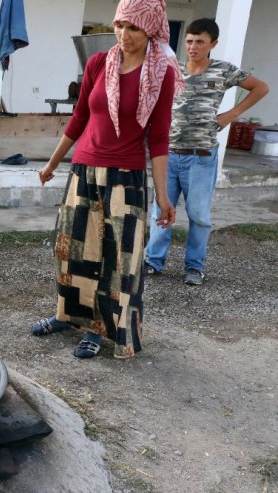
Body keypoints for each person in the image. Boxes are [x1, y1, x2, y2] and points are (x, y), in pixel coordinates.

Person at [29, 0, 181, 359]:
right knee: (72, 251)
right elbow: (80, 117)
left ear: (152, 31)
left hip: (125, 178)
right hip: (83, 170)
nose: (124, 35)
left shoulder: (162, 73)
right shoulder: (99, 63)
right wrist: (53, 163)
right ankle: (67, 315)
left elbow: (158, 138)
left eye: (134, 28)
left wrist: (162, 196)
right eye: (120, 25)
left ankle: (101, 328)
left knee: (116, 259)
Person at [145, 18, 270, 286]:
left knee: (199, 215)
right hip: (168, 154)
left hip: (201, 157)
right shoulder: (171, 69)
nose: (193, 46)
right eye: (189, 41)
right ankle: (153, 261)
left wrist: (231, 114)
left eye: (200, 41)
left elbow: (261, 87)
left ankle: (194, 267)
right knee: (160, 210)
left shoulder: (223, 71)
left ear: (212, 44)